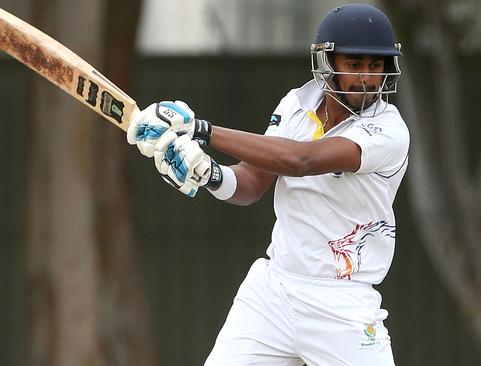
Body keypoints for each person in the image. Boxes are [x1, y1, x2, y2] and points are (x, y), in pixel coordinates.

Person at [127, 3, 409, 365]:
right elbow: (250, 183)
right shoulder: (296, 104)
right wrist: (208, 173)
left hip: (342, 304)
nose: (367, 78)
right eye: (354, 65)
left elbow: (301, 160)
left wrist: (201, 130)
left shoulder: (388, 129)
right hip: (273, 292)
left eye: (376, 66)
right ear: (327, 64)